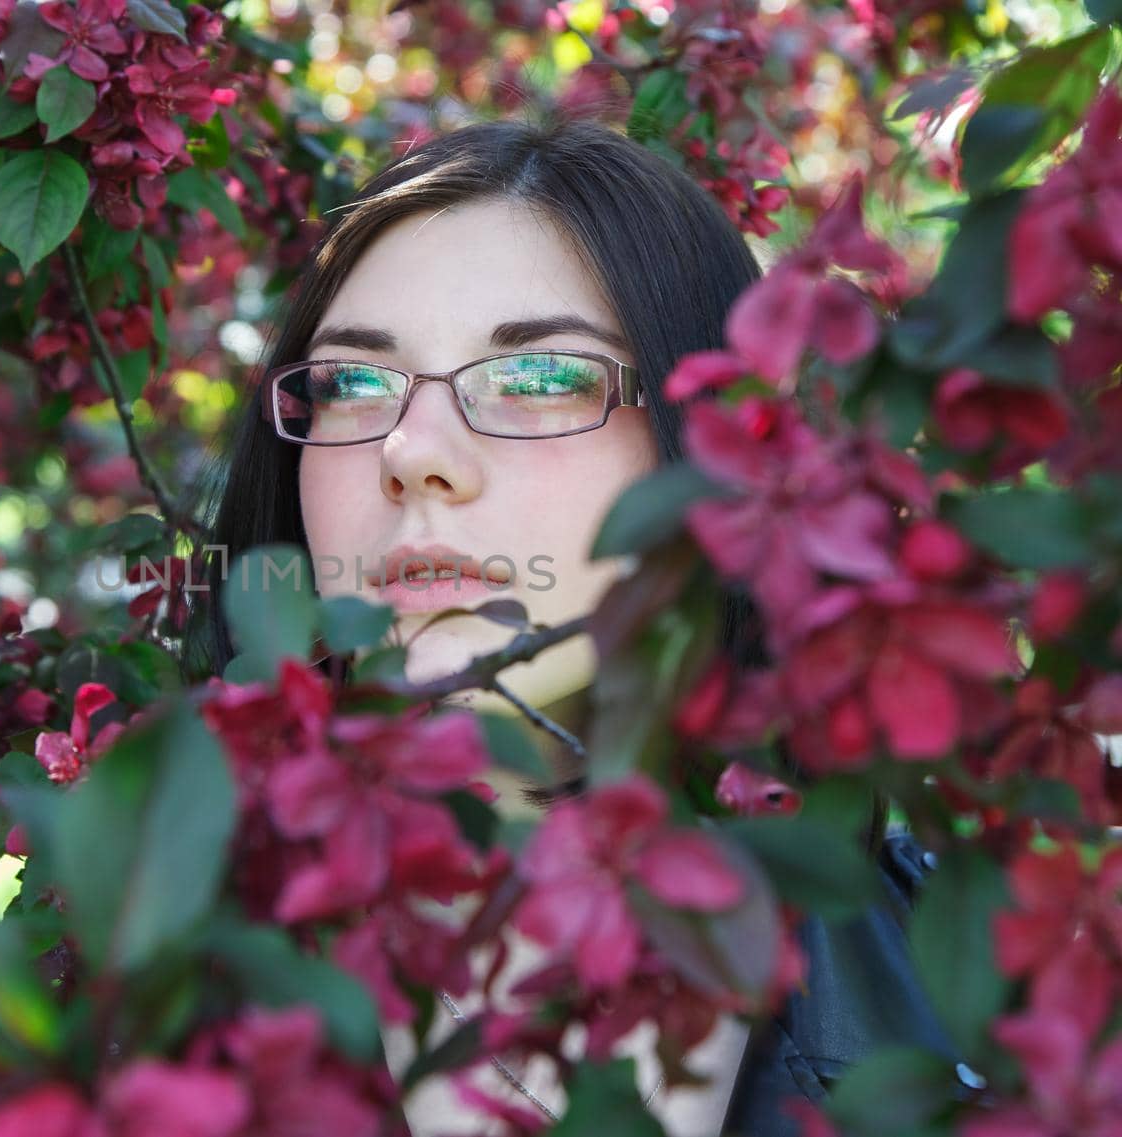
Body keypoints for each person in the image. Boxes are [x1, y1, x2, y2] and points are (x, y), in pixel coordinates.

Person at [184, 111, 959, 1135]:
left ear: (717, 445)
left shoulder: (994, 1003)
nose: (412, 453)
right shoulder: (126, 985)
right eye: (352, 383)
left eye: (542, 377)